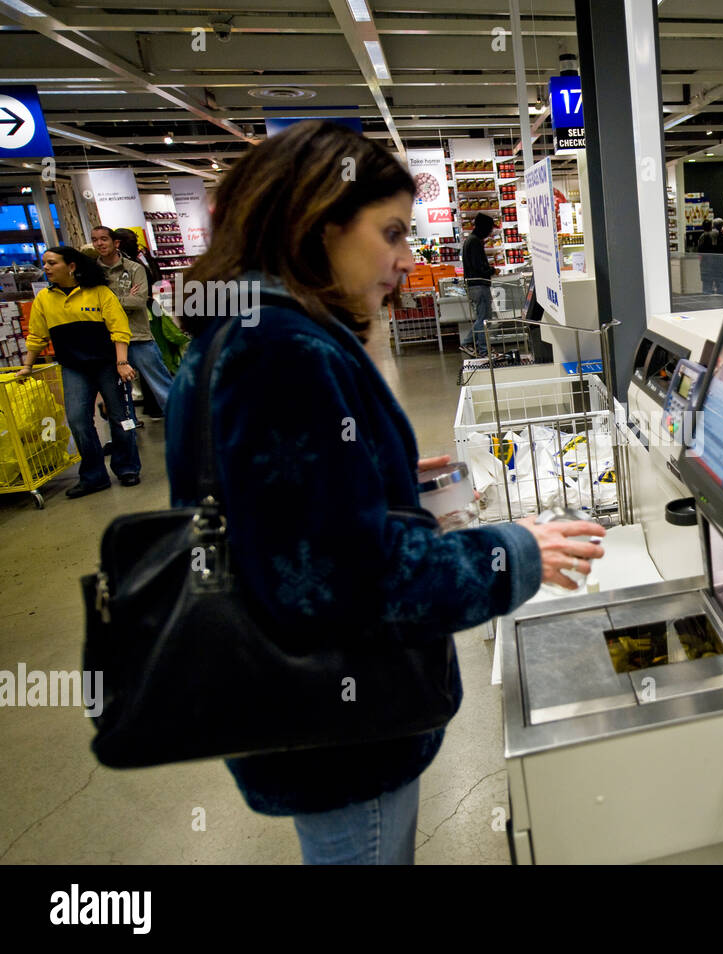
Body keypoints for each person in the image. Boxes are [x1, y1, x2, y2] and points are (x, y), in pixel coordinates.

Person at [170, 120, 606, 865]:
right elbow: (350, 581)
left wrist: (385, 480)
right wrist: (513, 553)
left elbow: (284, 517)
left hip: (306, 717)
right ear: (322, 223)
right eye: (393, 233)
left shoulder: (237, 327)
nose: (407, 261)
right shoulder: (284, 352)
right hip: (343, 728)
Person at [15, 246, 140, 496]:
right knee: (78, 420)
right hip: (73, 368)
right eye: (45, 263)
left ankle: (127, 467)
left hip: (107, 365)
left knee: (120, 418)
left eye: (52, 263)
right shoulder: (44, 299)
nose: (46, 268)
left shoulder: (99, 293)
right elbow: (37, 335)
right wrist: (27, 366)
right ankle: (94, 476)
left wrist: (122, 362)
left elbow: (119, 328)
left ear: (71, 266)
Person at [93, 225, 173, 419]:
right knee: (116, 395)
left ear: (116, 242)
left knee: (161, 386)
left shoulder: (135, 268)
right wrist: (121, 300)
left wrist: (108, 303)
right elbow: (93, 307)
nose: (99, 243)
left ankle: (187, 427)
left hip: (139, 335)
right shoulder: (93, 272)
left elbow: (138, 301)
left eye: (104, 239)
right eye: (95, 239)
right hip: (108, 340)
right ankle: (126, 436)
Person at [461, 212, 497, 357]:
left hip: (474, 285)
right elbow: (478, 266)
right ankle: (480, 348)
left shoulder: (470, 240)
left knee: (483, 317)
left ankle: (478, 347)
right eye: (489, 229)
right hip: (479, 285)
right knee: (484, 319)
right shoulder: (475, 242)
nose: (490, 232)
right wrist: (492, 270)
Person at [697, 217, 723, 295]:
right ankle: (721, 306)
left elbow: (700, 252)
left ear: (712, 226)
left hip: (707, 269)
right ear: (722, 227)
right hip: (720, 268)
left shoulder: (704, 237)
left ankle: (707, 307)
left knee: (707, 292)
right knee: (722, 293)